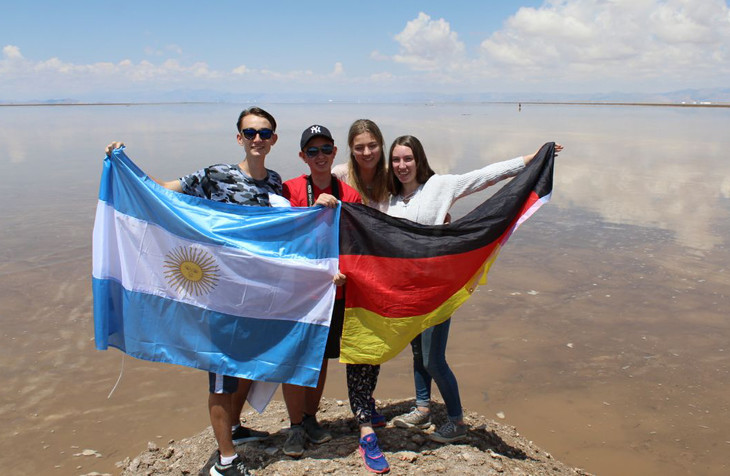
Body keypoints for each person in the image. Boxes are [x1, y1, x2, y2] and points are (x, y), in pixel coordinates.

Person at [105, 106, 282, 476]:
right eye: (250, 132)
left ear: (273, 139)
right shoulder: (216, 175)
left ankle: (234, 428)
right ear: (239, 137)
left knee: (247, 363)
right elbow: (163, 192)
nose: (257, 139)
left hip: (253, 297)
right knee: (220, 374)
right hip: (217, 297)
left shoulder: (276, 185)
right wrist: (125, 165)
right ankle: (225, 463)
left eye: (264, 133)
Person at [385, 135, 563, 444]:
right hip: (407, 289)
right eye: (397, 160)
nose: (402, 166)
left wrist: (530, 160)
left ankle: (456, 422)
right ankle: (422, 407)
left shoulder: (440, 187)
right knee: (416, 351)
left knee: (433, 358)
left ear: (419, 160)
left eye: (408, 159)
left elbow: (484, 176)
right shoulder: (388, 199)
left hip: (438, 288)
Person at [278, 124, 362, 458]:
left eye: (326, 149)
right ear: (303, 156)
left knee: (320, 359)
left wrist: (346, 272)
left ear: (334, 153)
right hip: (297, 294)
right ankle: (294, 426)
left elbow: (356, 243)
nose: (320, 156)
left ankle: (310, 419)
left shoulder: (350, 195)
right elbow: (280, 233)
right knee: (294, 359)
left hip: (334, 293)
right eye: (312, 151)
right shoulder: (290, 189)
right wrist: (311, 210)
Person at [331, 119, 390, 473]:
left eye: (372, 145)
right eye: (360, 146)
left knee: (378, 344)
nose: (366, 152)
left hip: (381, 275)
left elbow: (460, 184)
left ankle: (366, 402)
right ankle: (365, 426)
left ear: (380, 145)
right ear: (351, 149)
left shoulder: (390, 175)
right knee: (356, 345)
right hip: (349, 276)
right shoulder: (340, 175)